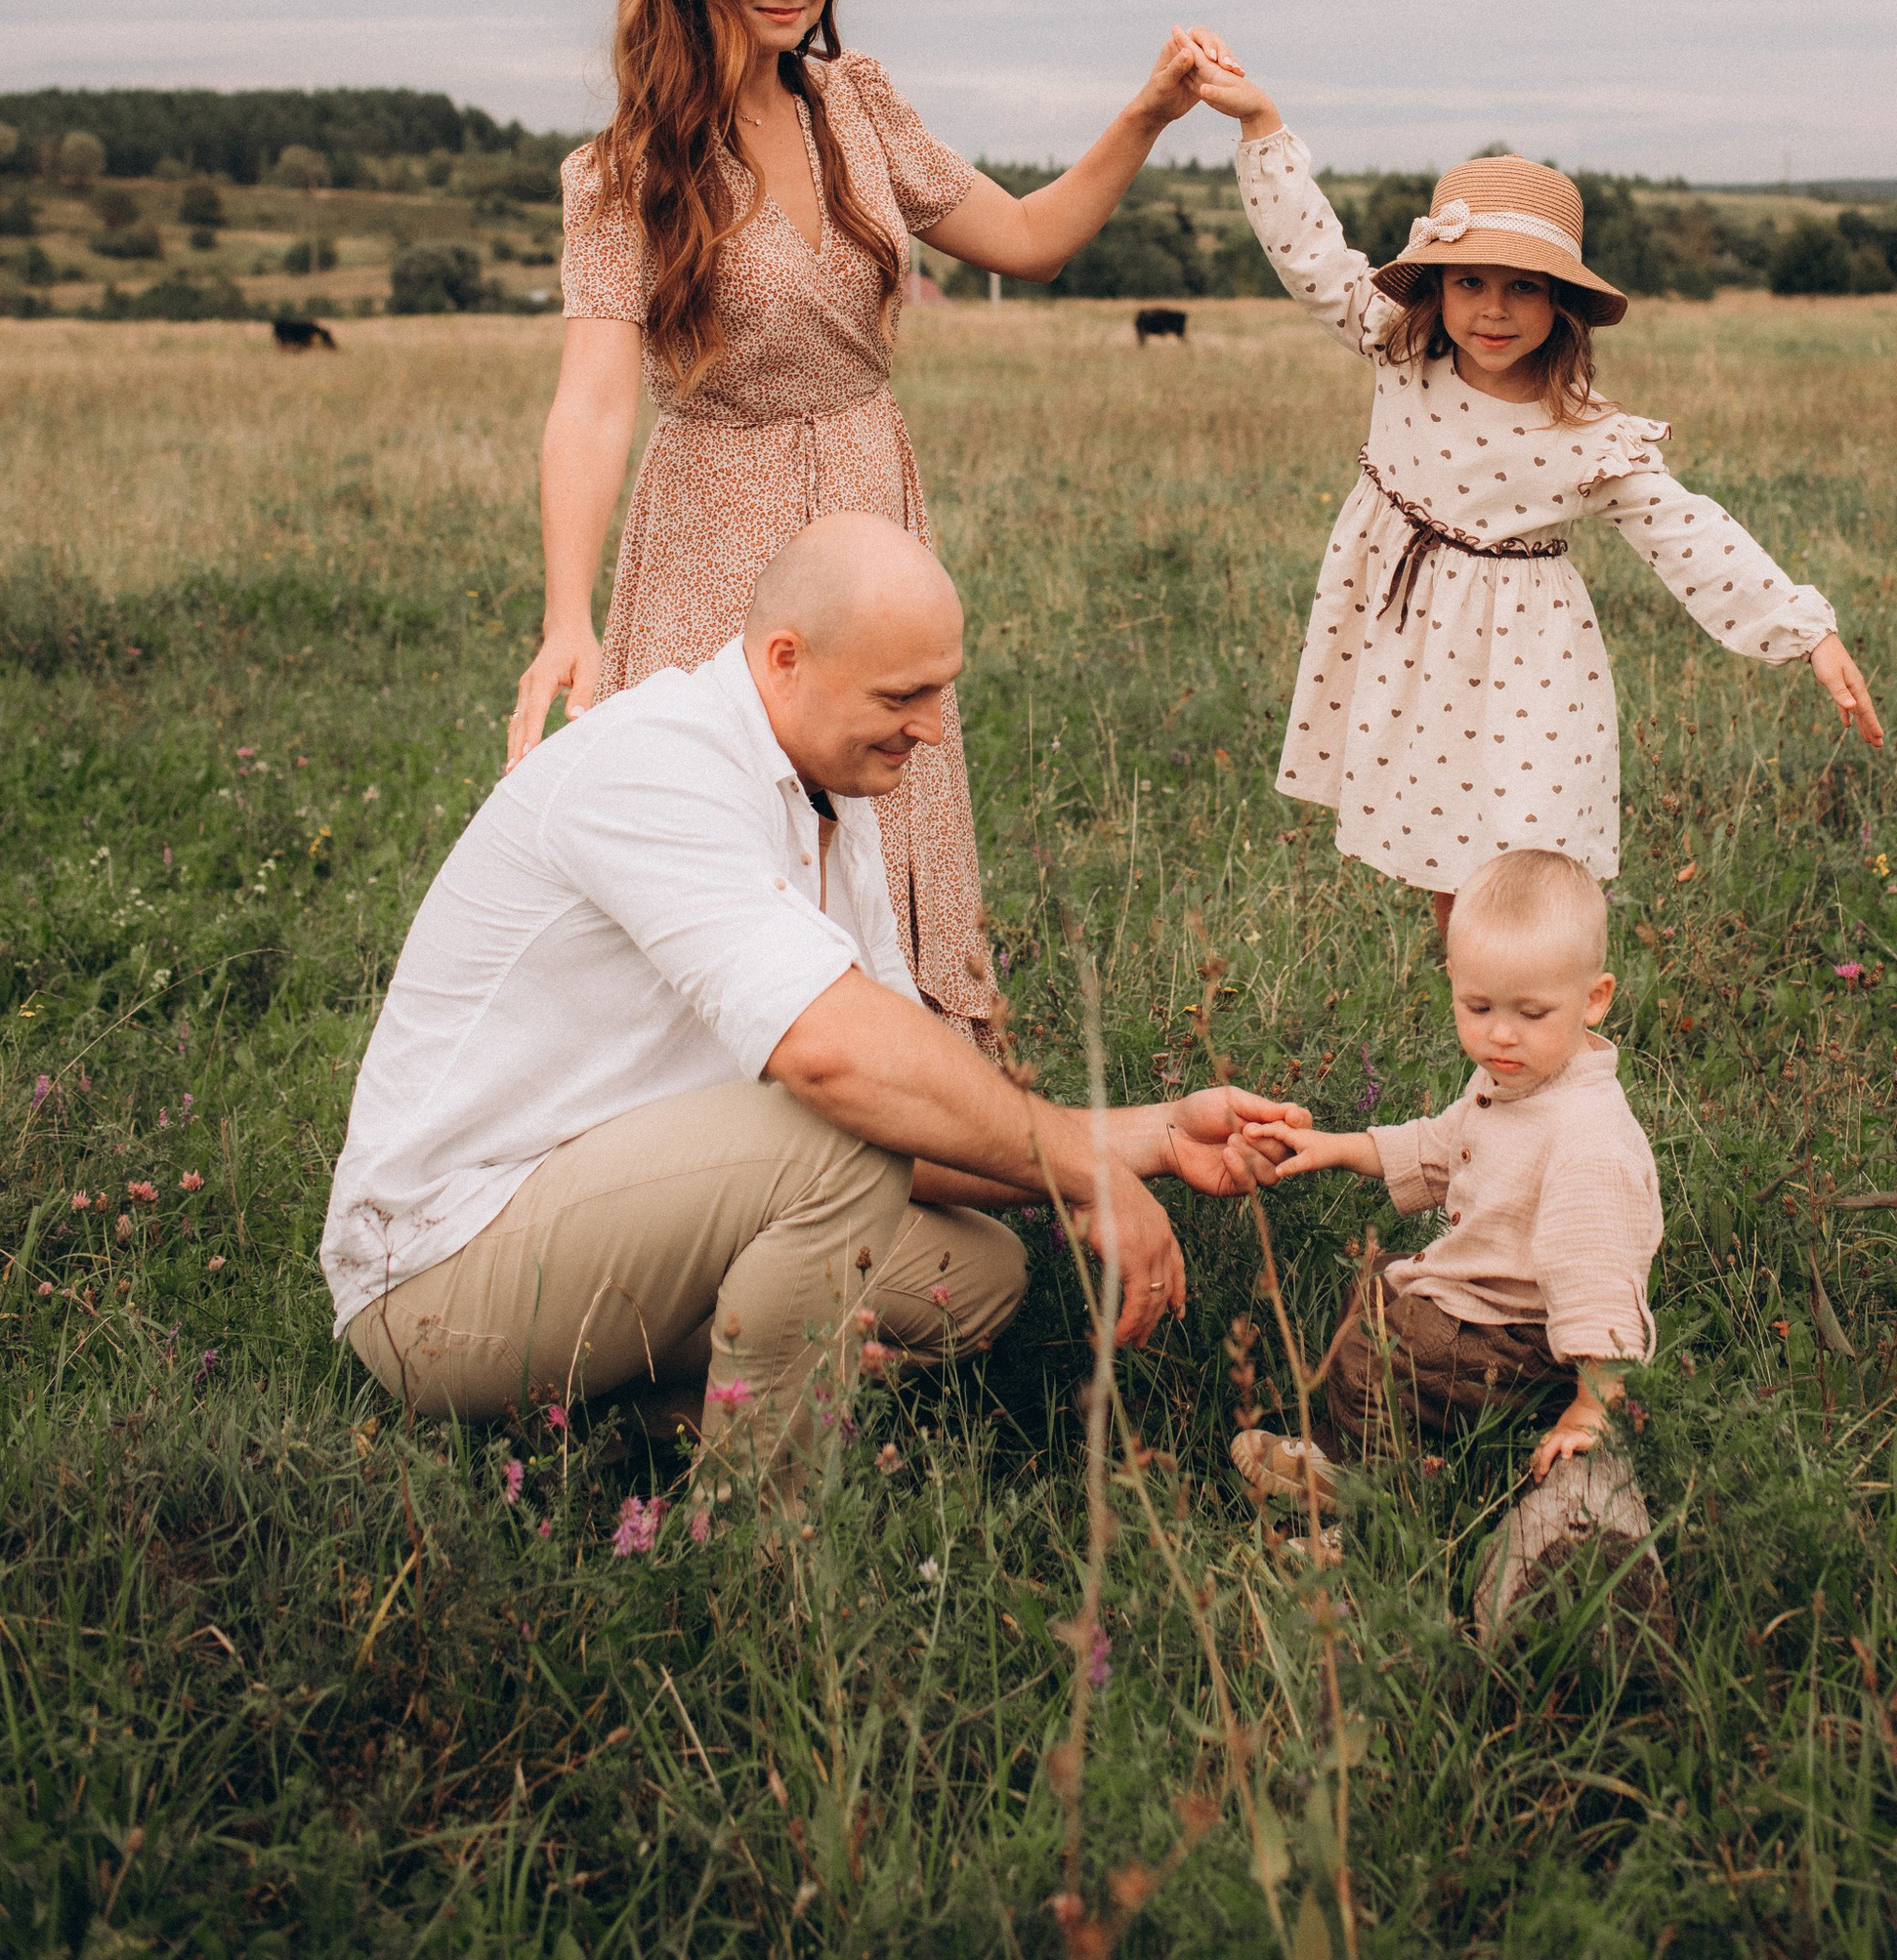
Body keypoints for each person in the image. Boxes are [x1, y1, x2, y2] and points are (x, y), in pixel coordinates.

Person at [331, 517, 1303, 1483]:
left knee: (979, 1276)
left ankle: (633, 1427)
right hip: (440, 1283)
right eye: (903, 695)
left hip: (615, 1225)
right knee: (836, 1135)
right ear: (786, 658)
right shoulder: (654, 764)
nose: (931, 726)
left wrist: (1155, 1138)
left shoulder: (826, 791)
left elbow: (911, 1121)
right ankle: (762, 1538)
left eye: (942, 691)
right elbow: (838, 1067)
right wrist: (1082, 1170)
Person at [507, 0, 1234, 1033]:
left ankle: (909, 1111)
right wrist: (566, 616)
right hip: (714, 519)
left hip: (866, 492)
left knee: (885, 787)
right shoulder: (624, 169)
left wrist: (1148, 113)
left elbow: (1032, 240)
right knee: (735, 819)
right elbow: (591, 401)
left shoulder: (860, 109)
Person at [1186, 53, 1882, 929]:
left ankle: (1565, 1040)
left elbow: (1688, 531)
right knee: (1447, 874)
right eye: (1470, 281)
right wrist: (1261, 127)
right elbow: (1316, 257)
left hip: (1526, 666)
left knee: (1528, 868)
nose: (1493, 309)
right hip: (1409, 641)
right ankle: (1491, 1038)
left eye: (1523, 287)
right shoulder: (1400, 348)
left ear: (1561, 304)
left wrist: (1803, 630)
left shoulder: (1585, 432)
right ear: (1435, 287)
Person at [1231, 849, 1672, 1645]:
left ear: (1595, 999)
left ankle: (1367, 1515)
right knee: (1375, 1293)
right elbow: (1441, 1148)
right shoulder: (1517, 1083)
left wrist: (1593, 1402)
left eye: (1531, 1014)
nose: (1500, 1035)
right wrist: (1335, 1145)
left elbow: (1597, 1273)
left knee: (1390, 1341)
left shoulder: (1586, 1138)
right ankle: (1335, 1458)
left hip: (1518, 1340)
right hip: (1481, 1312)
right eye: (1477, 1008)